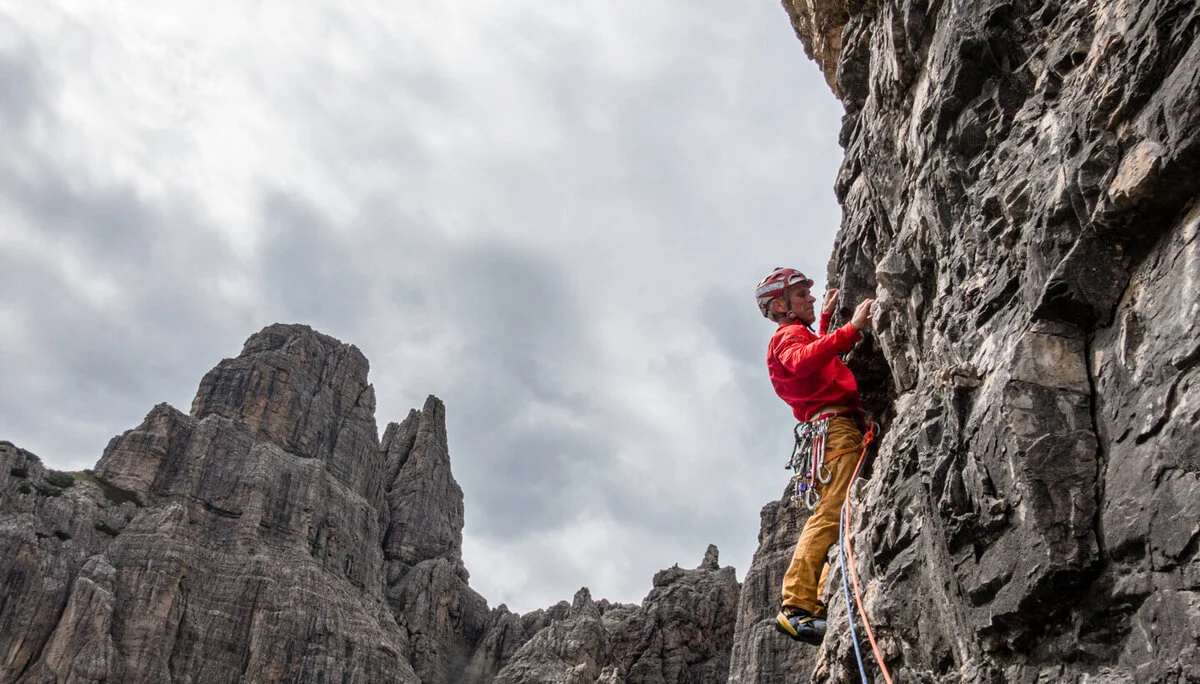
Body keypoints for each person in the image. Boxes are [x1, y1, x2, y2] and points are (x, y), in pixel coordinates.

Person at [754, 267, 874, 644]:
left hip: (834, 429)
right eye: (802, 294)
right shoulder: (787, 337)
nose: (810, 296)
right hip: (834, 429)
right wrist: (850, 329)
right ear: (781, 305)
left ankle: (818, 600)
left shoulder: (795, 334)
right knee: (832, 510)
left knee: (841, 509)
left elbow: (813, 365)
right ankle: (797, 605)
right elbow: (803, 360)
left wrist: (823, 320)